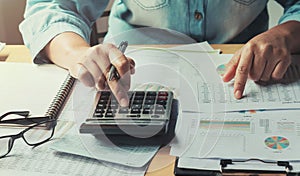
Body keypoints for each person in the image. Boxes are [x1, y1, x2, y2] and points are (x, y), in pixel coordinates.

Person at [20, 1, 300, 106]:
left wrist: (285, 34)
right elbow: (51, 6)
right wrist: (78, 54)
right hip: (131, 76)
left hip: (241, 77)